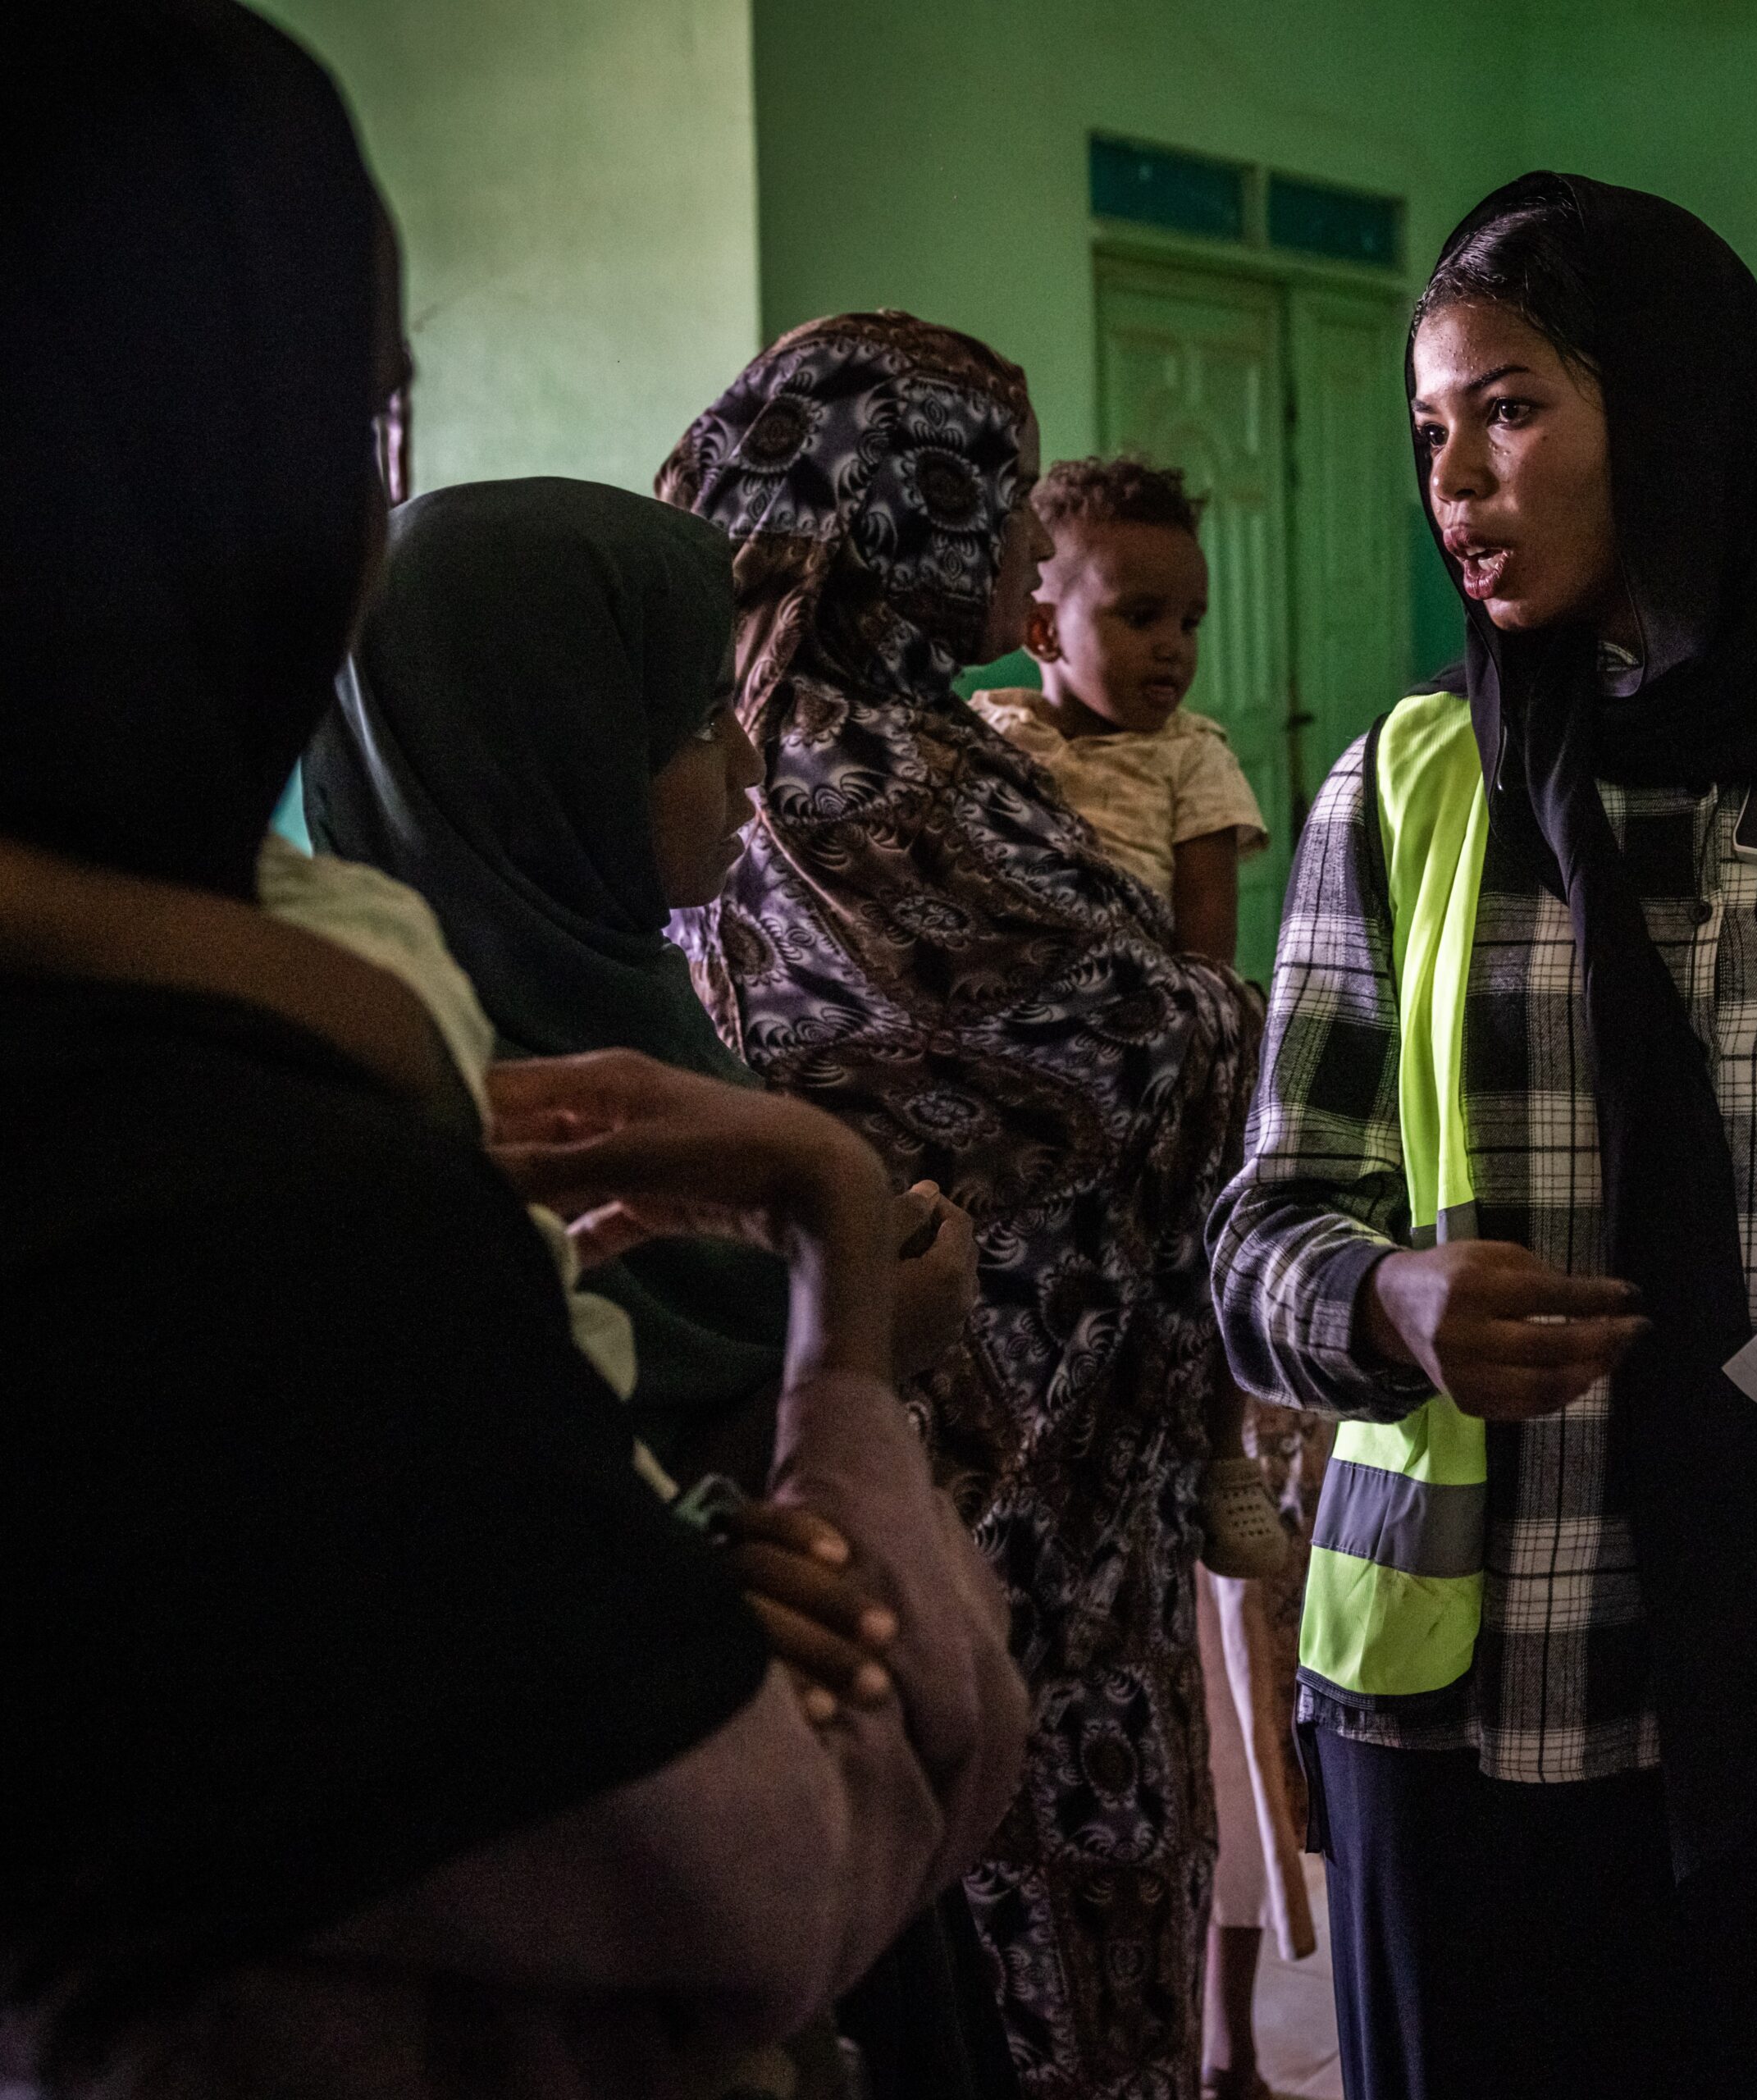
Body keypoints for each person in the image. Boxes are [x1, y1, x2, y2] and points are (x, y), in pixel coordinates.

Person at [0, 11, 1026, 2096]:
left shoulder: (314, 1039)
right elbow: (773, 1859)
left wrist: (626, 1557)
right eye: (363, 428)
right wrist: (839, 1291)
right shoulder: (241, 1174)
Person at [1209, 173, 1757, 2100]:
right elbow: (1261, 1226)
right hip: (1473, 1654)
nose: (1454, 475)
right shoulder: (1402, 787)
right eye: (1428, 428)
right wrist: (1380, 1295)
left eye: (1510, 408)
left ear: (1677, 410)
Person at [657, 313, 1262, 2100]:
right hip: (1010, 1501)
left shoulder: (798, 746)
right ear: (895, 512)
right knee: (1039, 1980)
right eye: (989, 495)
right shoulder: (864, 786)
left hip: (943, 1467)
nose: (1015, 539)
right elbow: (1139, 1038)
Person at [303, 474, 979, 1492]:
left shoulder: (626, 1006)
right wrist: (867, 1338)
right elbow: (570, 1506)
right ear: (542, 752)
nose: (749, 767)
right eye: (705, 719)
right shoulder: (415, 1109)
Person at [969, 454, 1284, 1583]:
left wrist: (1151, 1039)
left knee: (1195, 1253)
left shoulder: (1188, 756)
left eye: (1190, 621)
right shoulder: (993, 740)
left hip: (1157, 1056)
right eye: (1141, 615)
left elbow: (1205, 950)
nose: (1175, 648)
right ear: (1041, 627)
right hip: (1029, 1063)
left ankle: (1220, 1447)